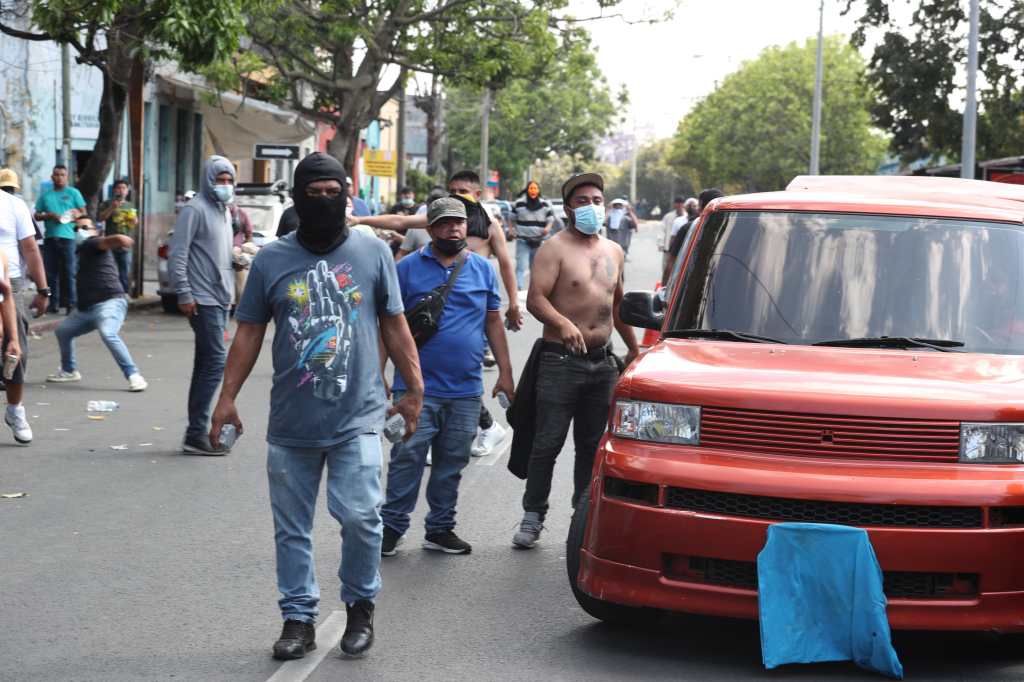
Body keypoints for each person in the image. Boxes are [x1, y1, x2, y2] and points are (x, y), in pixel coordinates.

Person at [209, 152, 424, 661]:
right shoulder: (271, 260)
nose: (325, 201)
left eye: (334, 192)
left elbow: (395, 324)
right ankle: (298, 619)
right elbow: (249, 333)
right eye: (315, 193)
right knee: (292, 529)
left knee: (361, 518)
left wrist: (413, 390)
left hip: (359, 416)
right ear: (298, 198)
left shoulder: (371, 252)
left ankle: (360, 606)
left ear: (346, 195)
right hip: (292, 423)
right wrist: (226, 398)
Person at [352, 171, 523, 457]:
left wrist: (514, 303)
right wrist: (360, 220)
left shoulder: (489, 228)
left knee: (458, 387)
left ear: (477, 195)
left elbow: (505, 266)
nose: (456, 195)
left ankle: (476, 427)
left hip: (470, 318)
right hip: (423, 324)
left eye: (463, 191)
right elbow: (401, 222)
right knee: (408, 457)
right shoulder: (436, 221)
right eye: (452, 189)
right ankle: (426, 428)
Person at [381, 197, 515, 557]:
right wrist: (378, 373)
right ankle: (391, 528)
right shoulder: (406, 268)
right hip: (414, 390)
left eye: (459, 223)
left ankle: (440, 529)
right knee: (406, 459)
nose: (454, 229)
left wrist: (505, 372)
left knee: (451, 462)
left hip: (466, 389)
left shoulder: (483, 270)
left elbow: (493, 323)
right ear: (430, 229)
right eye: (444, 224)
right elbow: (387, 326)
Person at [511, 172, 639, 549]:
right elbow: (535, 299)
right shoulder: (555, 248)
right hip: (560, 361)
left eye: (597, 200)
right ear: (568, 207)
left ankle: (582, 517)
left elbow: (617, 305)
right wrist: (563, 324)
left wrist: (632, 349)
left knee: (591, 445)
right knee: (547, 443)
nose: (592, 207)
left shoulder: (614, 251)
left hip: (602, 364)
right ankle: (533, 515)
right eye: (582, 201)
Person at [168, 155, 236, 455]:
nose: (224, 185)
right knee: (215, 363)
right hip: (201, 298)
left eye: (228, 180)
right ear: (208, 180)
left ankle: (195, 432)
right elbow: (178, 253)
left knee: (206, 364)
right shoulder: (195, 209)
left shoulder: (224, 210)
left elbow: (216, 253)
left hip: (221, 297)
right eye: (219, 180)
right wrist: (183, 293)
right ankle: (196, 432)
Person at [46, 218, 147, 391]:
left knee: (108, 333)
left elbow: (110, 241)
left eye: (84, 227)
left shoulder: (92, 243)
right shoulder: (79, 251)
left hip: (109, 302)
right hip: (85, 309)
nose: (79, 231)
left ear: (96, 230)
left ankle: (134, 375)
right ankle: (69, 370)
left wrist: (121, 239)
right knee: (63, 331)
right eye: (76, 228)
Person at [0, 174, 45, 444]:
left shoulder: (13, 205)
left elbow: (29, 248)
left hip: (9, 282)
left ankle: (15, 409)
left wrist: (43, 289)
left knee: (15, 349)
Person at [34, 164, 85, 314]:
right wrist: (48, 215)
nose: (59, 177)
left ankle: (71, 304)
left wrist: (76, 214)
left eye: (62, 175)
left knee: (69, 272)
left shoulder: (74, 193)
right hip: (50, 238)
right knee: (50, 274)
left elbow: (83, 213)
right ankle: (52, 303)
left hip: (68, 238)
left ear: (66, 177)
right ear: (52, 177)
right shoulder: (46, 195)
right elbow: (36, 215)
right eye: (56, 175)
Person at [662, 189, 721, 286]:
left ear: (702, 208)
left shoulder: (689, 229)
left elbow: (671, 262)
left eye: (698, 206)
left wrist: (664, 289)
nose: (696, 209)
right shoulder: (734, 230)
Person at [510, 181, 555, 293]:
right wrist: (511, 230)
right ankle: (518, 289)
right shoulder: (519, 203)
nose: (533, 191)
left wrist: (547, 228)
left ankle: (535, 290)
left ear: (538, 190)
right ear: (527, 190)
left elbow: (551, 219)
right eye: (531, 188)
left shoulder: (545, 204)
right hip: (522, 240)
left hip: (539, 241)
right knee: (520, 266)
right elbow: (511, 218)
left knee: (535, 268)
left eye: (535, 188)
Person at [97, 178, 138, 292]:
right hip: (110, 241)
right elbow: (101, 218)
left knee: (124, 270)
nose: (121, 190)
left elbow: (132, 224)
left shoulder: (130, 205)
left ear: (127, 191)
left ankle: (124, 294)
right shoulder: (107, 203)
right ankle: (109, 293)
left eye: (124, 188)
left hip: (125, 242)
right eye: (118, 188)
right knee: (110, 269)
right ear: (114, 190)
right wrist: (112, 207)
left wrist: (134, 221)